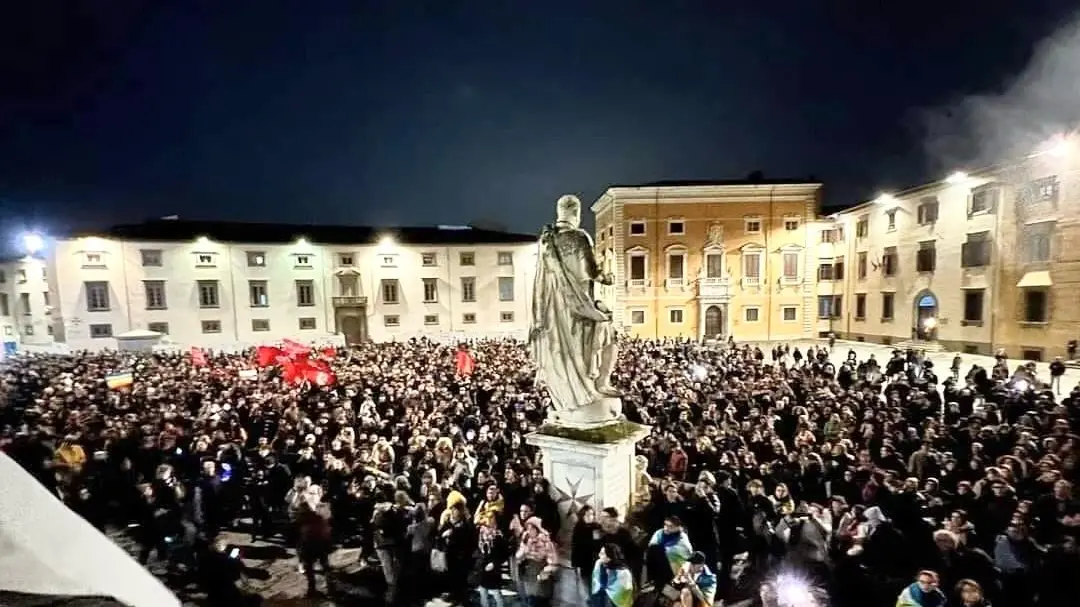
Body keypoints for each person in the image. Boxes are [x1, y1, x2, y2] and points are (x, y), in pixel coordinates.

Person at [473, 514, 510, 607]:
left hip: (494, 568)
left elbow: (505, 553)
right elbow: (478, 549)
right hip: (482, 566)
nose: (489, 521)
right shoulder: (481, 533)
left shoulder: (499, 535)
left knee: (496, 593)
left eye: (491, 518)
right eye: (488, 518)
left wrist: (495, 563)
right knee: (482, 591)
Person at [590, 543, 634, 607]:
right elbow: (595, 581)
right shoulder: (599, 564)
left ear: (609, 557)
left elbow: (626, 590)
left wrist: (610, 593)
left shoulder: (623, 572)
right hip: (601, 600)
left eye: (602, 553)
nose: (599, 555)